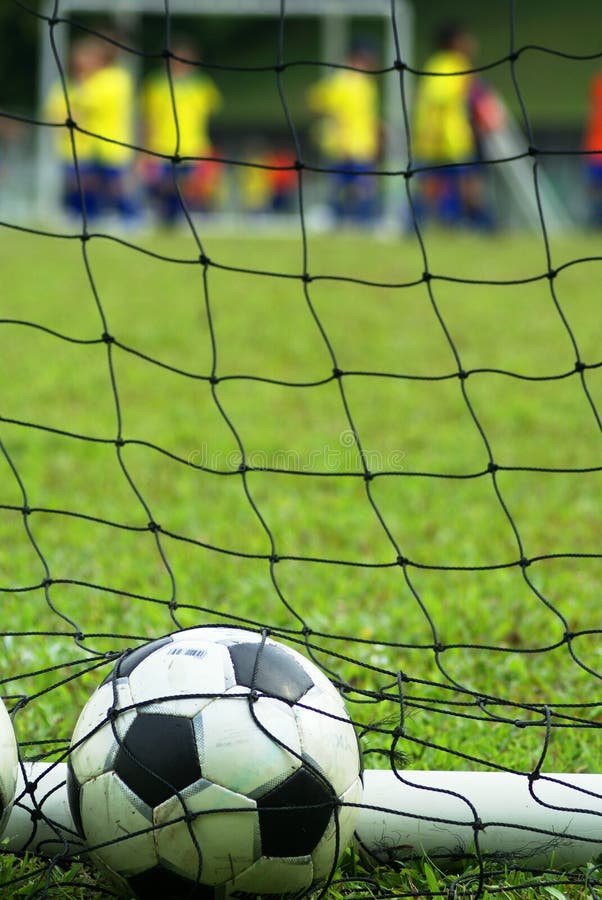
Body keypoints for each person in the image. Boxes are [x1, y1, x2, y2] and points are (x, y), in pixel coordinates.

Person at [46, 35, 138, 225]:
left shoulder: (114, 79)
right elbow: (58, 110)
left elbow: (86, 105)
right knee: (84, 183)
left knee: (115, 183)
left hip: (111, 141)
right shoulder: (72, 84)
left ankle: (131, 216)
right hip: (84, 145)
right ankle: (86, 215)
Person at [411, 23, 495, 229]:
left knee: (448, 184)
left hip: (443, 137)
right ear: (455, 42)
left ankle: (462, 223)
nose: (472, 43)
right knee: (459, 184)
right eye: (466, 38)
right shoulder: (452, 65)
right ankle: (473, 225)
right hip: (447, 139)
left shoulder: (437, 64)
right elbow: (439, 99)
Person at [140, 39, 222, 224]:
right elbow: (147, 117)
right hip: (161, 145)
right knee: (162, 185)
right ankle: (166, 216)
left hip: (193, 146)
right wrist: (145, 145)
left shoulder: (202, 84)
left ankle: (188, 217)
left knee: (192, 185)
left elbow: (210, 113)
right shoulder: (156, 83)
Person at [306, 40, 380, 225]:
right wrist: (338, 135)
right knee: (343, 186)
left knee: (361, 186)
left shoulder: (365, 83)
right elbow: (318, 103)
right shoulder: (341, 81)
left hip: (362, 143)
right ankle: (342, 221)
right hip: (344, 144)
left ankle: (361, 222)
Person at [583, 71, 602, 227]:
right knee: (595, 190)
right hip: (595, 148)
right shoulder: (597, 83)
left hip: (594, 148)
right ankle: (596, 222)